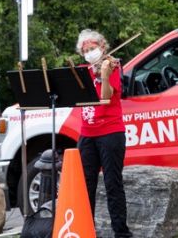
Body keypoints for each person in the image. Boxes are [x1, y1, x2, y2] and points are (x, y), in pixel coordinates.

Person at [75, 29, 131, 238]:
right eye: (86, 50)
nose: (90, 53)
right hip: (87, 133)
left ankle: (121, 232)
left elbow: (106, 97)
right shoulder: (82, 71)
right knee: (85, 184)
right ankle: (85, 229)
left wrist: (105, 76)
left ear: (103, 48)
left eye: (93, 48)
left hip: (110, 131)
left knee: (112, 182)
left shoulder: (112, 66)